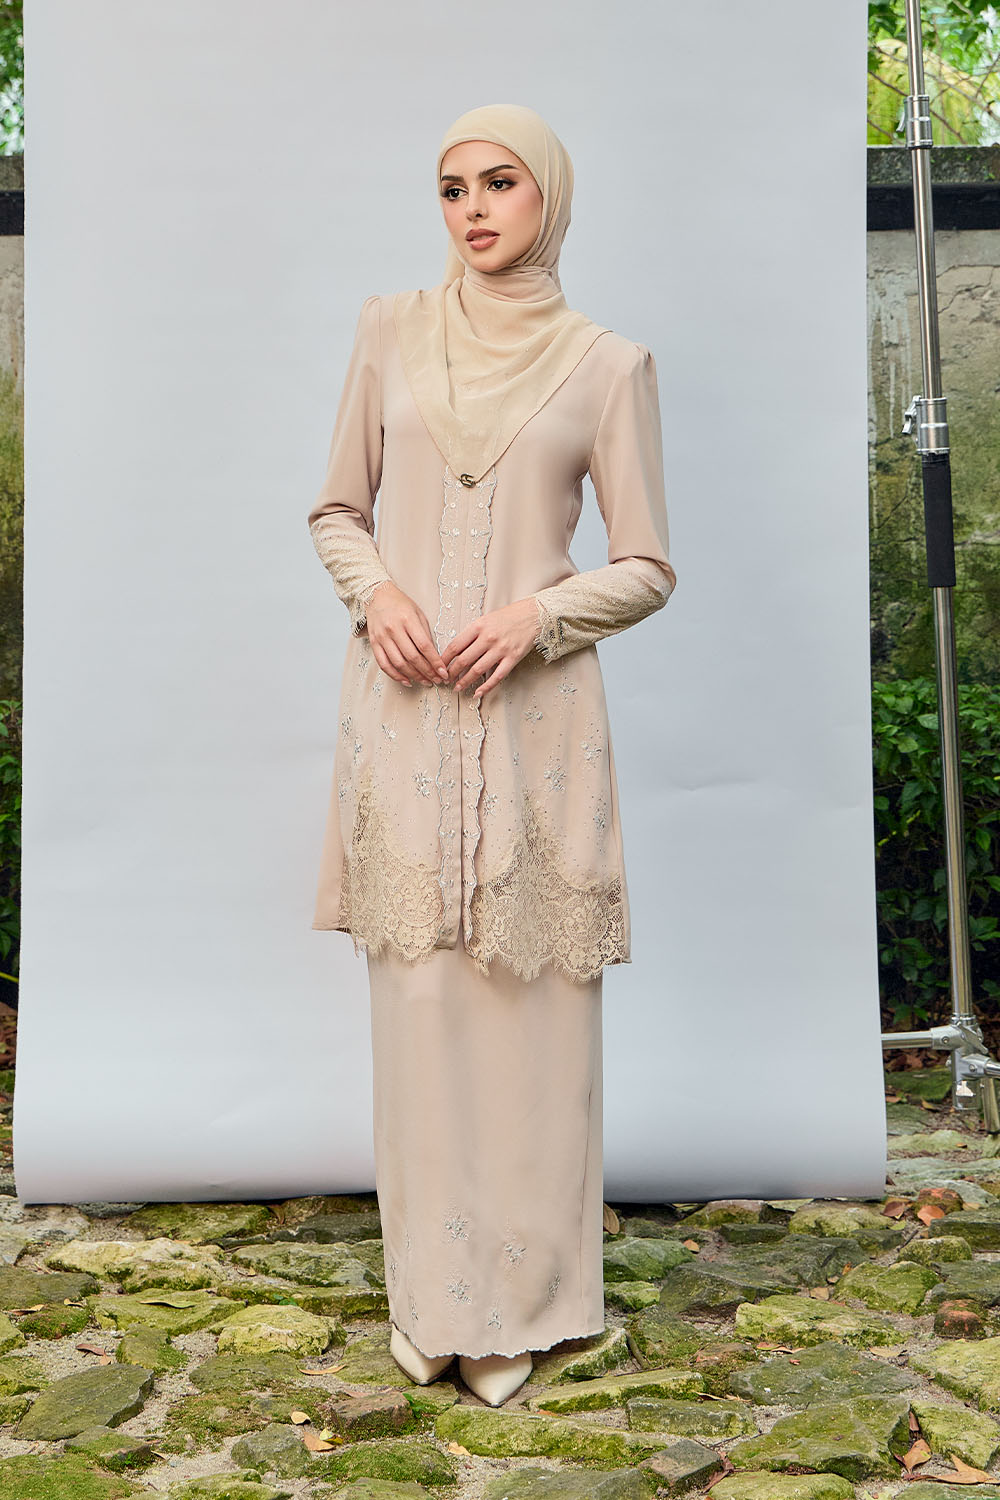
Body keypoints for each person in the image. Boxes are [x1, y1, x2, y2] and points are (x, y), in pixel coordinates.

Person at [307, 103, 677, 1407]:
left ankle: (526, 1304)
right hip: (405, 715)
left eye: (501, 183)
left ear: (548, 197)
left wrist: (540, 616)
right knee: (418, 1011)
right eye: (453, 187)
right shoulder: (389, 331)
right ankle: (433, 1300)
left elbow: (648, 564)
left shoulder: (608, 365)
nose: (473, 209)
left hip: (539, 731)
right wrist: (378, 597)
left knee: (532, 1024)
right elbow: (336, 507)